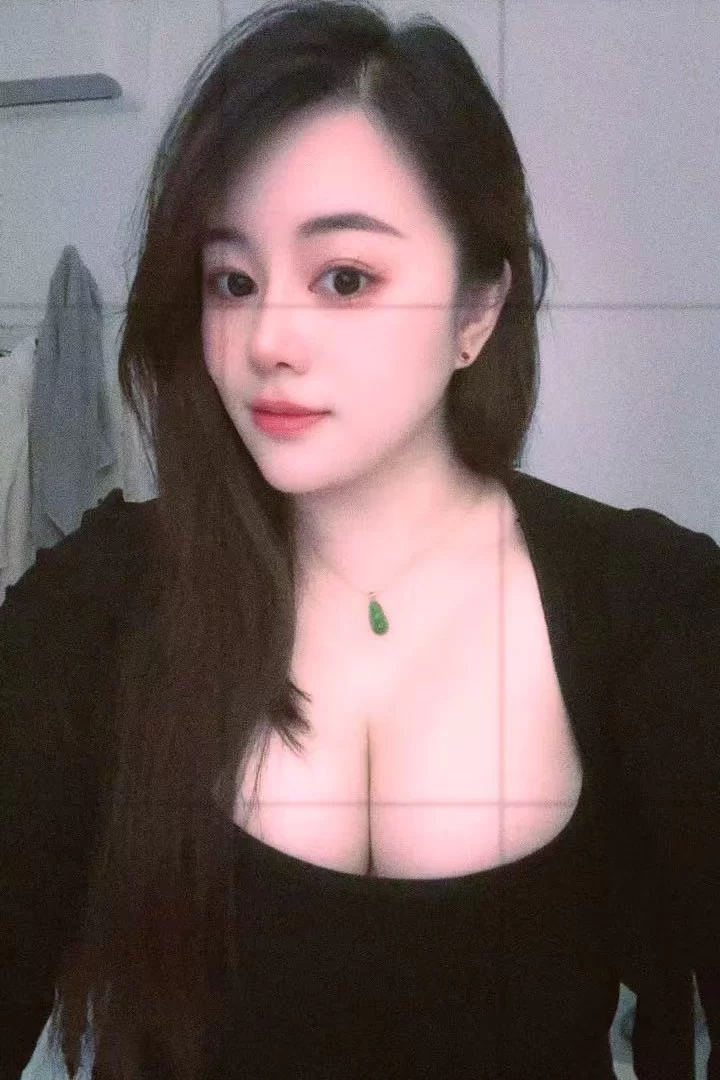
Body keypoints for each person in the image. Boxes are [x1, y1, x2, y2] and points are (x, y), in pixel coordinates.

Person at [2, 2, 717, 1079]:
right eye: (232, 281)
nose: (268, 339)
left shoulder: (660, 611)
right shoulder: (96, 606)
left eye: (344, 278)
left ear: (477, 310)